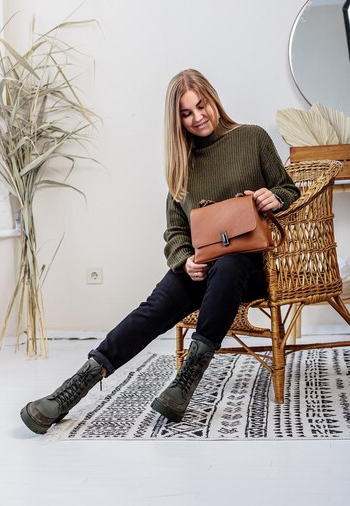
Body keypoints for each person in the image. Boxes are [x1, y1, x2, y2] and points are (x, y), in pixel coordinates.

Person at [20, 68, 300, 433]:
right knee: (155, 307)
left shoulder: (252, 138)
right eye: (187, 113)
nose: (198, 117)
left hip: (255, 268)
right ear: (177, 120)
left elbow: (290, 191)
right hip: (207, 268)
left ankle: (187, 381)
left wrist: (273, 196)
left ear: (213, 100)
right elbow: (175, 232)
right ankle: (71, 390)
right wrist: (186, 262)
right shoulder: (182, 165)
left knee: (230, 264)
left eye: (202, 105)